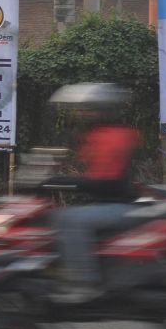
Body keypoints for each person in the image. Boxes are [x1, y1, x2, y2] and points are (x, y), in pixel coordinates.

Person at [44, 83, 143, 302]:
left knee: (69, 219)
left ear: (103, 110)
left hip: (120, 206)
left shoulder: (116, 136)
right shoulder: (96, 135)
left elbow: (108, 182)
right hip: (104, 203)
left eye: (88, 109)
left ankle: (84, 283)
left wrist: (66, 182)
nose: (82, 114)